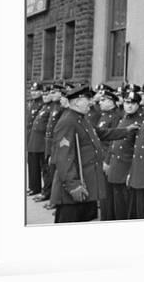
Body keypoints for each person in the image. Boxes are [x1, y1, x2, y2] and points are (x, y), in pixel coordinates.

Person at [50, 85, 105, 223]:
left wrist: (126, 131)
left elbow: (99, 134)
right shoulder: (68, 121)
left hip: (86, 186)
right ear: (76, 102)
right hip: (74, 191)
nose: (92, 102)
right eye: (88, 99)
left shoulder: (81, 118)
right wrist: (73, 185)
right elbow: (63, 158)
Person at [104, 91, 144, 220]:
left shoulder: (140, 122)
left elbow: (138, 150)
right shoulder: (123, 118)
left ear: (138, 105)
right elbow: (114, 142)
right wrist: (107, 160)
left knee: (125, 205)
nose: (129, 106)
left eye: (133, 103)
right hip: (115, 165)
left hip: (127, 166)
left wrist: (131, 172)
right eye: (127, 102)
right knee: (115, 203)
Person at [94, 88, 123, 220]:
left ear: (112, 102)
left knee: (108, 191)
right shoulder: (104, 115)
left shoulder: (116, 117)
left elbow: (114, 140)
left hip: (108, 156)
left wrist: (108, 160)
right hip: (100, 154)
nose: (100, 102)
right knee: (102, 190)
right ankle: (104, 216)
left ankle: (108, 218)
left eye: (103, 100)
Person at [36, 82, 65, 203]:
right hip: (48, 141)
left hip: (55, 142)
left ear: (61, 93)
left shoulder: (62, 107)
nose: (51, 94)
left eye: (54, 92)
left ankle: (54, 198)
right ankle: (47, 193)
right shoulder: (54, 105)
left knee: (53, 171)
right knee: (47, 169)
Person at [27, 85, 52, 196]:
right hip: (33, 140)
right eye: (32, 90)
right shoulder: (34, 104)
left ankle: (45, 190)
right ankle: (34, 187)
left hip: (42, 141)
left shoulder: (45, 105)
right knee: (33, 166)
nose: (33, 92)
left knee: (44, 168)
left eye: (36, 90)